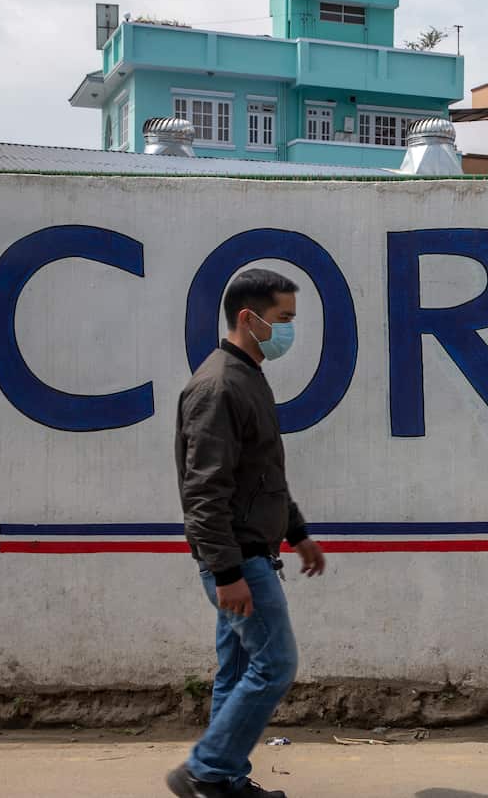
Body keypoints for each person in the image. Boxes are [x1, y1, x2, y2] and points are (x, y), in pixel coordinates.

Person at [168, 268, 327, 798]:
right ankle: (205, 771)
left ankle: (225, 782)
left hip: (251, 553)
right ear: (248, 318)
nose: (289, 330)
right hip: (238, 560)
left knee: (237, 672)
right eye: (283, 319)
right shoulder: (218, 387)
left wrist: (297, 533)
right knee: (275, 664)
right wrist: (226, 571)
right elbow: (204, 491)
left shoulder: (247, 377)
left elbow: (261, 476)